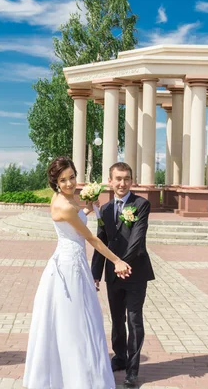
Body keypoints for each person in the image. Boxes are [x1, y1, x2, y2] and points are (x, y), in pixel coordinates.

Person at [23, 156, 132, 389]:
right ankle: (78, 378)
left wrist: (87, 209)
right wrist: (117, 260)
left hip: (75, 261)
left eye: (72, 177)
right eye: (63, 180)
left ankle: (78, 373)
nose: (70, 183)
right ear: (55, 183)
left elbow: (78, 219)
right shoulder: (62, 205)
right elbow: (91, 238)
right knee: (74, 321)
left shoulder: (66, 198)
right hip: (68, 267)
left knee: (80, 318)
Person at [91, 162, 155, 388]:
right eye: (118, 178)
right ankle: (119, 357)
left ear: (132, 180)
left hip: (136, 272)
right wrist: (95, 274)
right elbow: (101, 242)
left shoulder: (141, 204)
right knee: (117, 318)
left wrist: (123, 263)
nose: (122, 183)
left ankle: (132, 370)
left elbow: (138, 239)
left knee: (134, 319)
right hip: (113, 274)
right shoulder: (106, 209)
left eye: (127, 178)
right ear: (110, 181)